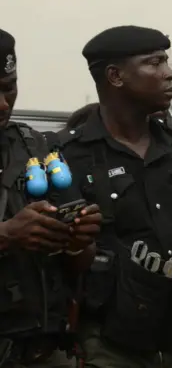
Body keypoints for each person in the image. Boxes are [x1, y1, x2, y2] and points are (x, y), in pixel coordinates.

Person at [56, 25, 172, 367]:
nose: (170, 73)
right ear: (115, 76)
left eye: (166, 61)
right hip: (111, 346)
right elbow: (58, 262)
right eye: (154, 63)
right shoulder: (67, 155)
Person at [0, 28, 102, 367]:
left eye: (8, 88)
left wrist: (76, 238)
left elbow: (77, 261)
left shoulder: (36, 149)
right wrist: (7, 236)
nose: (3, 105)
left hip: (38, 350)